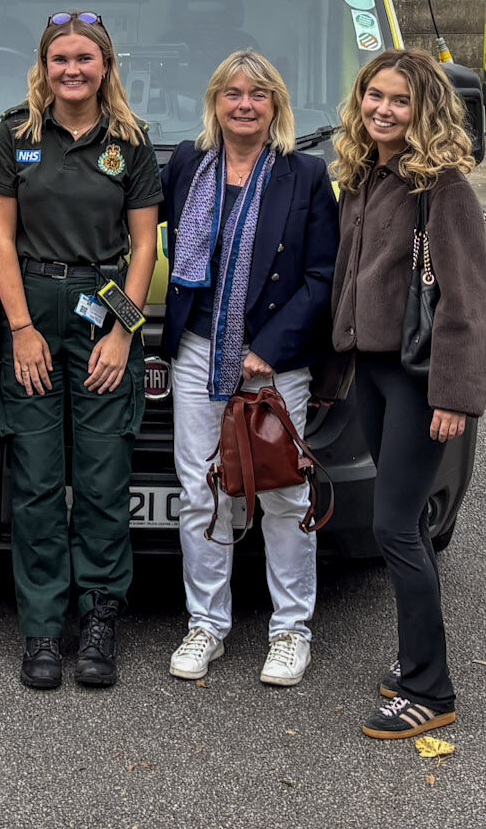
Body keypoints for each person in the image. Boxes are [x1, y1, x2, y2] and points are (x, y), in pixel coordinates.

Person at [0, 12, 162, 691]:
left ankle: (98, 620)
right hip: (33, 302)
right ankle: (40, 628)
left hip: (102, 300)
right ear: (44, 66)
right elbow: (1, 238)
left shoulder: (130, 141)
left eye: (84, 58)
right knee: (34, 479)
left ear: (106, 66)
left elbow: (142, 246)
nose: (72, 70)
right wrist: (22, 328)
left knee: (102, 476)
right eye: (60, 59)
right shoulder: (17, 135)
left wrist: (123, 332)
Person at [327, 49, 486, 740]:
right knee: (396, 526)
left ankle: (431, 688)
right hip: (371, 371)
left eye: (399, 100)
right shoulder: (367, 174)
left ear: (423, 109)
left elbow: (468, 302)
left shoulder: (442, 186)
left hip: (421, 379)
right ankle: (414, 663)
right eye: (374, 96)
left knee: (397, 526)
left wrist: (456, 395)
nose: (383, 110)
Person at [159, 50, 338, 688]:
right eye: (232, 93)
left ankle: (291, 630)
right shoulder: (187, 164)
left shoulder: (306, 174)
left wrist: (267, 347)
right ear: (215, 101)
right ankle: (206, 623)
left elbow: (322, 277)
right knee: (200, 491)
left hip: (272, 360)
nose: (244, 104)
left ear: (275, 106)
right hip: (197, 352)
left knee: (284, 492)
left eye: (257, 95)